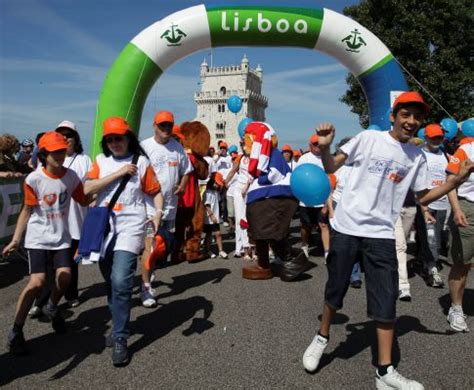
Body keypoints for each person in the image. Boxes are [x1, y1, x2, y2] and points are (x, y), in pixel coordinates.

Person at [302, 91, 474, 389]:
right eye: (405, 114)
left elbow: (422, 197)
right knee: (336, 289)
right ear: (393, 116)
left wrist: (454, 182)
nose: (411, 121)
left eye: (417, 117)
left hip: (381, 233)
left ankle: (384, 371)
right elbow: (331, 167)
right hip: (347, 227)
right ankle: (322, 336)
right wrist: (327, 149)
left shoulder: (417, 157)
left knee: (386, 300)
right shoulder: (368, 140)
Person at [84, 116, 163, 366]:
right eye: (110, 139)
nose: (115, 143)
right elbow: (87, 189)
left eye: (119, 138)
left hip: (131, 224)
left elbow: (156, 192)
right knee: (110, 280)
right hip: (104, 226)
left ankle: (120, 337)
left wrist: (158, 214)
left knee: (121, 279)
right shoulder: (100, 162)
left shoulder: (142, 162)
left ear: (128, 138)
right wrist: (118, 173)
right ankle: (119, 319)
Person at [3, 131, 90, 355]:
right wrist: (15, 239)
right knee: (36, 283)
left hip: (62, 237)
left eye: (62, 150)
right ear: (43, 154)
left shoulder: (71, 177)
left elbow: (83, 198)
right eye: (54, 152)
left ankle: (51, 306)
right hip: (38, 238)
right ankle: (16, 330)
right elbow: (27, 209)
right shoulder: (34, 179)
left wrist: (106, 189)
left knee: (65, 276)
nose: (60, 155)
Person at [140, 111, 192, 307]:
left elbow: (186, 170)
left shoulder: (177, 148)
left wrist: (183, 185)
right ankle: (145, 288)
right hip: (149, 208)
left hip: (170, 208)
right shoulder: (145, 147)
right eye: (162, 126)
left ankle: (150, 270)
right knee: (150, 247)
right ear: (154, 126)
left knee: (162, 248)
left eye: (169, 126)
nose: (166, 129)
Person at [445, 131, 474, 332]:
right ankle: (456, 308)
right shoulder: (465, 149)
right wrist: (456, 209)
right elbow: (450, 182)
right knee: (463, 262)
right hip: (468, 208)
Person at [416, 124, 449, 288]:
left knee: (435, 235)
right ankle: (432, 269)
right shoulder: (419, 155)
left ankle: (424, 261)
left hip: (442, 203)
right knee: (430, 237)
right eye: (434, 137)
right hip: (425, 204)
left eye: (440, 137)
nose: (437, 140)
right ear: (426, 137)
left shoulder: (446, 155)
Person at [295, 134, 330, 260]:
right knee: (306, 226)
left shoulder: (327, 158)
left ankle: (327, 251)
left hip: (322, 199)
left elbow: (330, 177)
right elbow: (298, 178)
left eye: (320, 144)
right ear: (310, 145)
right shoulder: (304, 159)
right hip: (306, 200)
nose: (318, 147)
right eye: (315, 144)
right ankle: (305, 245)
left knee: (323, 225)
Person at [203, 172, 228, 259]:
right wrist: (211, 215)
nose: (217, 185)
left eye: (218, 184)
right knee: (210, 234)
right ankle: (207, 250)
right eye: (216, 183)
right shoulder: (207, 192)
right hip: (209, 218)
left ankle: (220, 251)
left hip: (215, 217)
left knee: (217, 234)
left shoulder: (216, 192)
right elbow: (207, 205)